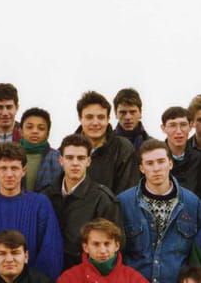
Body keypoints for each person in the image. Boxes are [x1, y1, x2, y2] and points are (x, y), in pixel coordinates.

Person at [118, 139, 201, 283]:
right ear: (141, 168)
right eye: (149, 163)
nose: (156, 168)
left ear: (170, 163)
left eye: (161, 161)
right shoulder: (123, 202)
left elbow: (199, 253)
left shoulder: (192, 203)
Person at [0, 142, 62, 280]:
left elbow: (50, 252)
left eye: (14, 168)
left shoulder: (40, 204)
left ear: (23, 171)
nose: (9, 174)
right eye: (3, 168)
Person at [41, 134, 122, 270]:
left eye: (81, 158)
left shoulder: (102, 199)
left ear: (89, 161)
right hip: (49, 271)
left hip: (85, 274)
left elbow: (113, 245)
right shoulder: (46, 196)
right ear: (60, 160)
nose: (75, 163)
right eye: (69, 157)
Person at [75, 91, 139, 194]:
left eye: (101, 117)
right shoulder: (67, 150)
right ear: (80, 118)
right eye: (89, 117)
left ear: (108, 119)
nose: (95, 123)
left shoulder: (123, 149)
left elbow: (127, 193)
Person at [160, 106, 201, 200]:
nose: (178, 131)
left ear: (191, 126)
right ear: (163, 128)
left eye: (183, 125)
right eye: (172, 125)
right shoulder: (156, 158)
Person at [18, 107, 62, 192]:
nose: (35, 131)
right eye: (29, 127)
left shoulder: (58, 159)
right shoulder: (9, 156)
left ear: (48, 133)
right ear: (21, 131)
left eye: (41, 128)